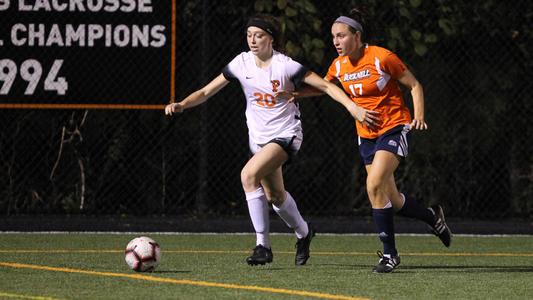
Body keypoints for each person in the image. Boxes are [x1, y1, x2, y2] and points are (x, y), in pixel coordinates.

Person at [165, 14, 378, 266]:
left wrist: (353, 108)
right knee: (276, 196)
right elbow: (205, 91)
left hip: (286, 134)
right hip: (258, 139)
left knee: (248, 175)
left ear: (271, 39)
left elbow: (328, 87)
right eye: (249, 35)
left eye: (259, 35)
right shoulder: (241, 63)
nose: (252, 40)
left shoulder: (285, 65)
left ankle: (262, 246)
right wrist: (182, 104)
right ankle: (304, 233)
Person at [285, 8, 452, 273]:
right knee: (393, 200)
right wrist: (298, 95)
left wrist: (418, 115)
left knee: (373, 184)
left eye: (341, 36)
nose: (336, 41)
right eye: (333, 37)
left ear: (357, 35)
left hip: (394, 127)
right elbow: (327, 88)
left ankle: (390, 255)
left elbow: (415, 85)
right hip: (367, 136)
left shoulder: (381, 57)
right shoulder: (338, 65)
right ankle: (433, 217)